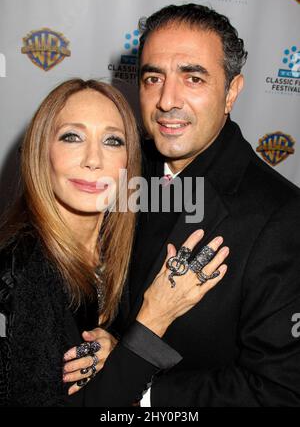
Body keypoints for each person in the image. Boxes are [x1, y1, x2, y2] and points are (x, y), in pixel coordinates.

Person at [70, 4, 300, 406]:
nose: (166, 101)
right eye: (153, 78)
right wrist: (113, 342)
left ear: (231, 91)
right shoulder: (124, 166)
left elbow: (279, 390)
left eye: (193, 78)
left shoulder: (281, 217)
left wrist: (140, 388)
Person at [0, 78, 228, 406]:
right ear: (41, 152)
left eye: (112, 141)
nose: (94, 159)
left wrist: (120, 348)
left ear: (129, 161)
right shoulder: (20, 269)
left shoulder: (124, 245)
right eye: (72, 137)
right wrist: (154, 317)